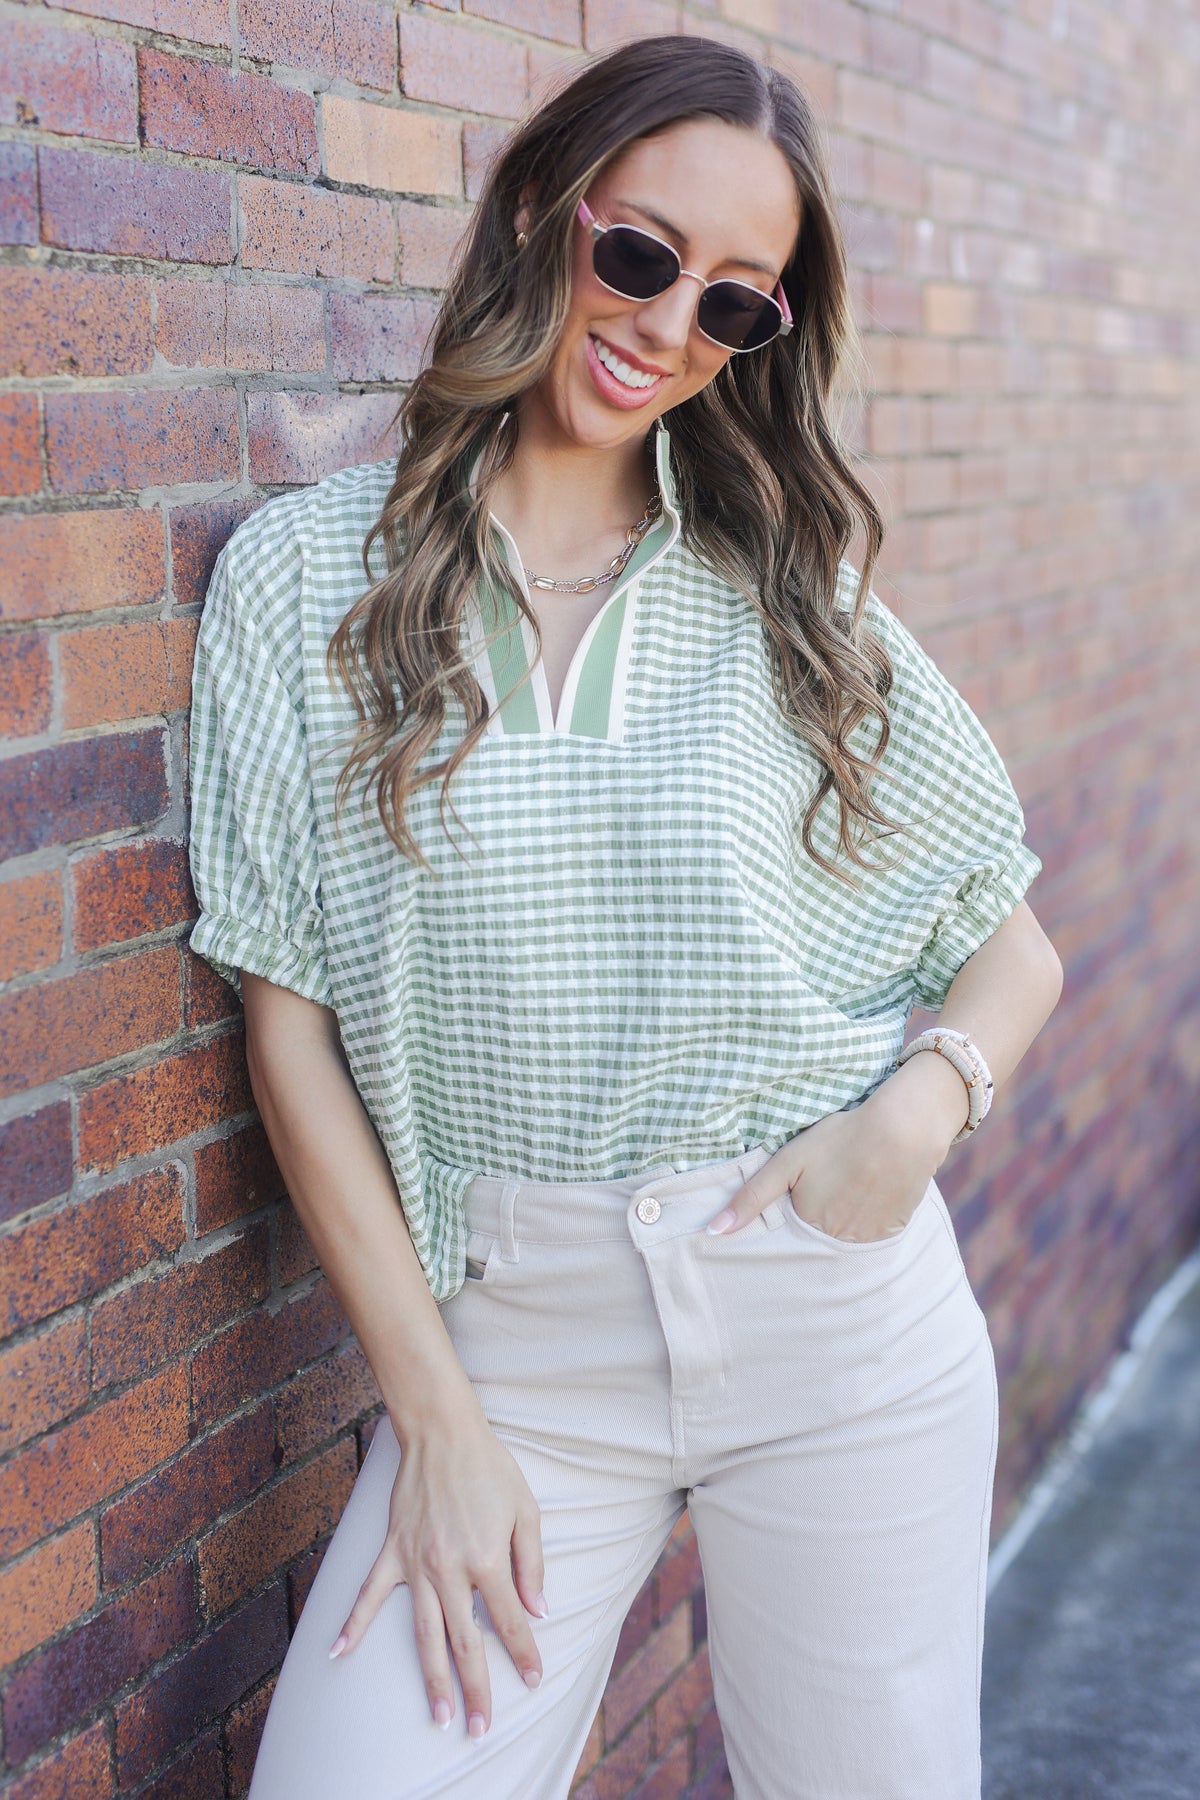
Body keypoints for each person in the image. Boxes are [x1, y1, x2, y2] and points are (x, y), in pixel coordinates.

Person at [188, 34, 1063, 1800]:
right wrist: (434, 1417)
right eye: (643, 254)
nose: (669, 326)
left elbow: (1009, 930)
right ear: (540, 209)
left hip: (832, 1319)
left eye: (735, 306)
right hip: (516, 1346)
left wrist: (914, 1116)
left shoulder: (786, 590)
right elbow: (286, 1027)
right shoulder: (302, 584)